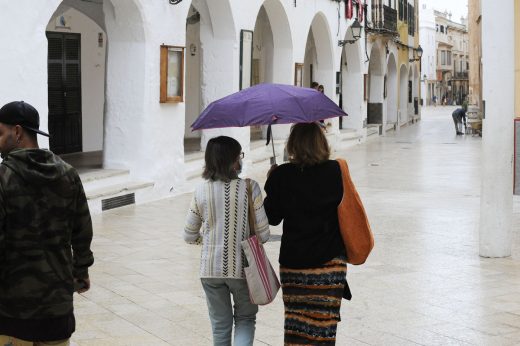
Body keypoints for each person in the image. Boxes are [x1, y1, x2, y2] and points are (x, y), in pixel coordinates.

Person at [0, 101, 94, 346]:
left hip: (13, 310)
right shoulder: (68, 174)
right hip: (57, 307)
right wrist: (81, 270)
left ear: (17, 132)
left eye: (0, 133)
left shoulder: (3, 179)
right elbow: (82, 230)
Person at [264, 123, 347, 345]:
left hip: (295, 263)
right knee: (324, 326)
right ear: (321, 143)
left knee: (296, 324)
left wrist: (272, 181)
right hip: (330, 263)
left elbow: (271, 217)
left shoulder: (282, 175)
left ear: (293, 144)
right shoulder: (335, 170)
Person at [184, 136, 270, 346]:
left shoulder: (200, 190)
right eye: (239, 155)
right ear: (231, 160)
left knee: (220, 326)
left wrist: (210, 240)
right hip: (243, 271)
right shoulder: (251, 188)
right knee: (245, 319)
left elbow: (189, 235)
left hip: (210, 271)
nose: (240, 160)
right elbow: (264, 234)